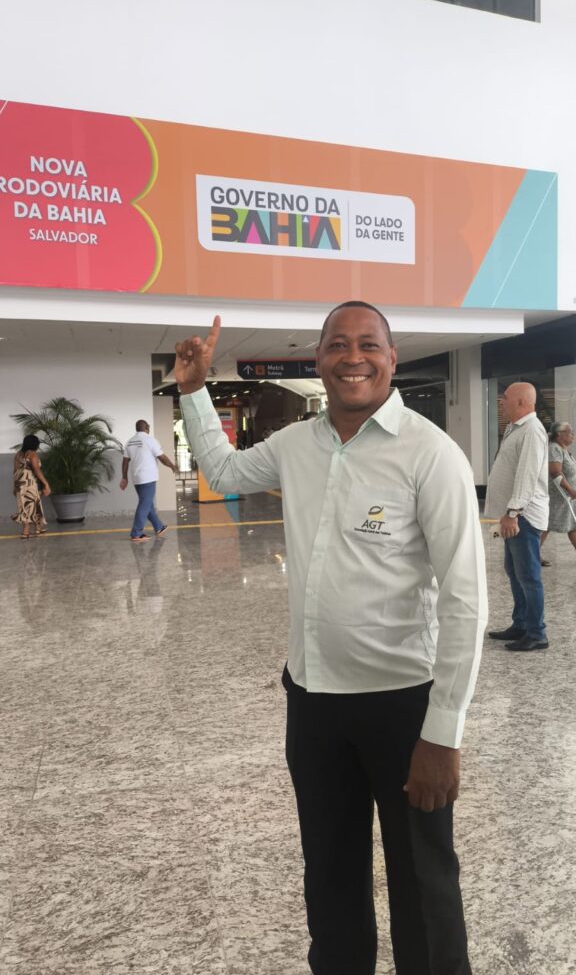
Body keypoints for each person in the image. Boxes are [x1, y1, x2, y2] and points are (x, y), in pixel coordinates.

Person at [175, 302, 487, 975]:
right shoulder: (297, 445)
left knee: (423, 883)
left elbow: (465, 598)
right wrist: (196, 391)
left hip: (403, 707)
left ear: (392, 358)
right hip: (314, 702)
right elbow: (225, 474)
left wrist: (444, 732)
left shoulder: (431, 454)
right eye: (337, 344)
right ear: (318, 359)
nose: (353, 357)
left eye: (368, 344)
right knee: (330, 873)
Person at [485, 382, 549, 651]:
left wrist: (513, 512)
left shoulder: (532, 430)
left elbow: (527, 475)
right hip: (513, 515)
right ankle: (521, 624)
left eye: (505, 398)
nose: (501, 402)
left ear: (521, 402)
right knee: (514, 571)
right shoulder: (516, 428)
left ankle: (536, 633)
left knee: (528, 576)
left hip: (523, 516)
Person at [120, 420, 176, 542]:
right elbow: (162, 457)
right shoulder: (150, 440)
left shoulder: (130, 442)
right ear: (146, 427)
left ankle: (159, 527)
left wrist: (124, 477)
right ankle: (136, 533)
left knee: (147, 503)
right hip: (148, 477)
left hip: (136, 478)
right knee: (145, 504)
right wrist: (172, 465)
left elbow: (125, 462)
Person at [540, 421, 576, 559]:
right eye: (570, 432)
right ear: (560, 434)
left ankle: (532, 555)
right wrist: (571, 490)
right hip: (559, 497)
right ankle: (531, 556)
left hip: (566, 497)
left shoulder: (562, 449)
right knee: (546, 526)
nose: (573, 435)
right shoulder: (554, 448)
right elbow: (555, 472)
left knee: (572, 526)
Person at [12, 434, 51, 539]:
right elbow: (37, 470)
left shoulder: (18, 455)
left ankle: (39, 527)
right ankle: (26, 531)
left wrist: (15, 486)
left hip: (19, 484)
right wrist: (46, 484)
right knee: (32, 505)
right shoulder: (32, 454)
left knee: (26, 506)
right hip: (29, 483)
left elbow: (15, 471)